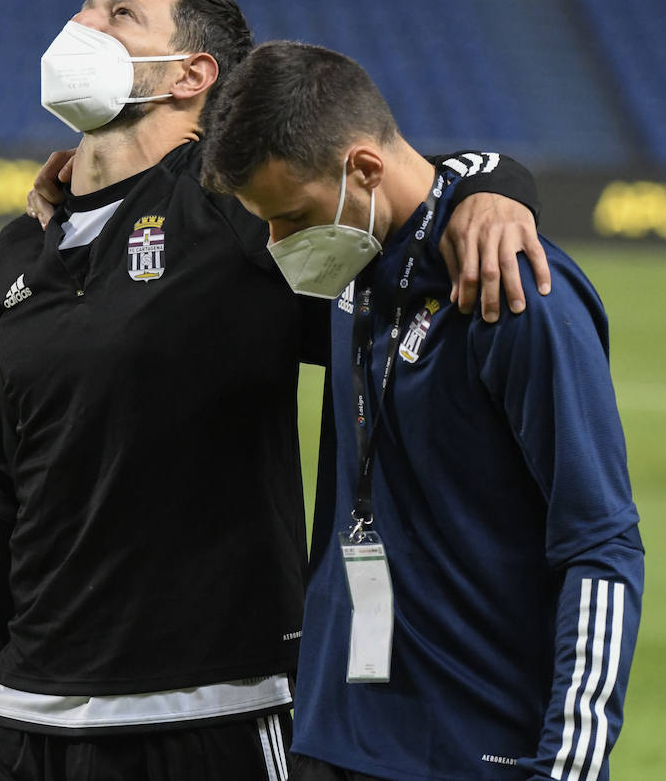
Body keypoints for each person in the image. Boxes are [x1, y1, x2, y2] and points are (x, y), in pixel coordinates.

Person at [0, 0, 545, 781]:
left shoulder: (243, 214)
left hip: (209, 711)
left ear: (192, 74)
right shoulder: (22, 248)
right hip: (21, 714)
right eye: (86, 7)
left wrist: (497, 187)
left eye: (120, 15)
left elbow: (393, 189)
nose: (81, 25)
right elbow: (11, 486)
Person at [201, 40, 643, 781]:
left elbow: (600, 545)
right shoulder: (357, 265)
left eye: (292, 217)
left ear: (364, 170)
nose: (276, 246)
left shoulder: (513, 292)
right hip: (334, 738)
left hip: (471, 749)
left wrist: (567, 770)